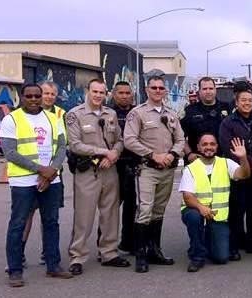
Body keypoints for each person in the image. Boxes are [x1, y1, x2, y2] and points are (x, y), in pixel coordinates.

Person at [2, 84, 73, 287]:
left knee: (51, 222)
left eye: (37, 96)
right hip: (24, 181)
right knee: (18, 223)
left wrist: (52, 170)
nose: (34, 99)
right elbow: (10, 152)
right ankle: (15, 270)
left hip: (52, 178)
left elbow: (61, 147)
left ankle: (53, 265)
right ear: (22, 97)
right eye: (29, 96)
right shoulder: (11, 119)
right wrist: (41, 169)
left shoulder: (53, 118)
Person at [65, 79, 129, 275]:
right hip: (87, 171)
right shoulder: (75, 115)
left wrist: (114, 154)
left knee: (110, 213)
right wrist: (103, 152)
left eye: (102, 92)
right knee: (84, 215)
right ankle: (77, 256)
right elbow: (75, 144)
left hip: (109, 169)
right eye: (95, 91)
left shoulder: (110, 114)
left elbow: (119, 139)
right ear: (88, 91)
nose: (98, 95)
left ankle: (109, 252)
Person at [123, 75, 186, 273]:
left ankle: (155, 251)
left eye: (161, 88)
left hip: (167, 169)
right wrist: (153, 155)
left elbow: (181, 139)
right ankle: (141, 254)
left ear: (165, 91)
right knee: (145, 209)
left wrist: (172, 154)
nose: (158, 91)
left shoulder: (172, 114)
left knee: (159, 210)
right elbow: (129, 140)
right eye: (154, 88)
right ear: (147, 90)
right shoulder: (137, 113)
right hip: (147, 169)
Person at [179, 135, 251, 272]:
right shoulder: (190, 168)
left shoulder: (225, 163)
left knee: (221, 258)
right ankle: (197, 256)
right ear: (198, 147)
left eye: (212, 144)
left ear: (217, 146)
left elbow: (244, 174)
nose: (209, 147)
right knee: (194, 217)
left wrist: (243, 158)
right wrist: (201, 208)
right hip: (195, 211)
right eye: (205, 144)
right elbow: (187, 197)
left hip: (218, 217)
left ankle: (203, 241)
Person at [218, 90, 252, 258]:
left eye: (250, 100)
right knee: (236, 211)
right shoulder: (227, 123)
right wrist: (249, 161)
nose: (247, 103)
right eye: (243, 100)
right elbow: (227, 148)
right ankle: (234, 246)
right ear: (236, 102)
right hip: (238, 173)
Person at [109, 81, 140, 254]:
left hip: (133, 164)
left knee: (132, 207)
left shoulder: (137, 112)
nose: (124, 96)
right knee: (110, 207)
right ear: (114, 94)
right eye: (120, 93)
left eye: (128, 93)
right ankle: (105, 245)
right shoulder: (107, 113)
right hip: (113, 165)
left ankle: (128, 243)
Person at [181, 77, 233, 163]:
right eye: (204, 89)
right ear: (199, 91)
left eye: (211, 88)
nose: (208, 91)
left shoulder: (227, 108)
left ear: (215, 90)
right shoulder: (190, 110)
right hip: (197, 161)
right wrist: (189, 153)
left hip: (222, 161)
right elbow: (179, 136)